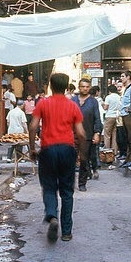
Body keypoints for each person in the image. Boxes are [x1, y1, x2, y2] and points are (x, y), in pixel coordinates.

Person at [29, 72, 86, 242]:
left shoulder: (43, 104)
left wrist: (32, 148)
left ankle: (52, 216)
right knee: (67, 191)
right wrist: (82, 153)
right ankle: (67, 231)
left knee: (49, 186)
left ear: (51, 86)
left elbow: (33, 127)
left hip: (48, 149)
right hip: (67, 149)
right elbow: (81, 133)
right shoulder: (73, 106)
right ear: (67, 87)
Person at [72, 77, 102, 191]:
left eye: (87, 87)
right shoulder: (73, 100)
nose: (85, 89)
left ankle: (82, 183)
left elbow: (97, 118)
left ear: (89, 88)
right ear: (79, 88)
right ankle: (69, 183)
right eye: (82, 87)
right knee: (70, 160)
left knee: (84, 160)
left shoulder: (93, 102)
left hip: (87, 135)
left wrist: (97, 132)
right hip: (72, 135)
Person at [6, 97, 29, 161]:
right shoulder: (21, 113)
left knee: (11, 144)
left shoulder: (11, 111)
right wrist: (27, 132)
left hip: (11, 129)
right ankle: (19, 158)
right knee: (19, 145)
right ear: (21, 105)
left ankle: (9, 158)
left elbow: (8, 121)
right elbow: (24, 123)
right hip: (19, 130)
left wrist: (9, 128)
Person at [102, 84, 121, 159]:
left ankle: (107, 151)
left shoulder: (108, 97)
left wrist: (102, 104)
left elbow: (106, 108)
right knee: (114, 134)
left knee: (107, 135)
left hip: (109, 116)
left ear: (109, 91)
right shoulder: (119, 97)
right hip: (116, 116)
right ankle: (115, 151)